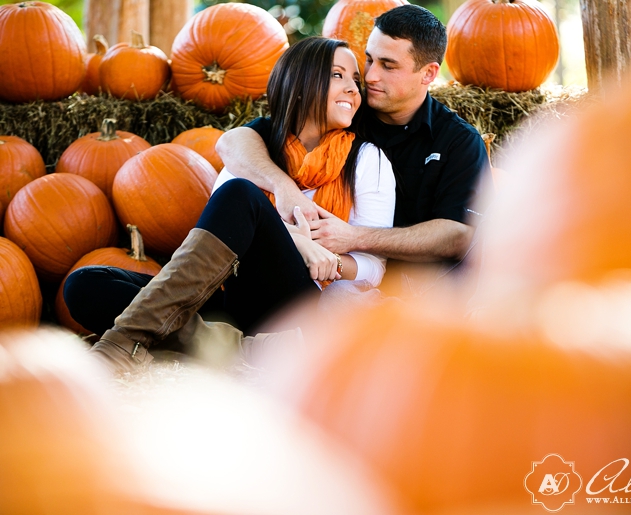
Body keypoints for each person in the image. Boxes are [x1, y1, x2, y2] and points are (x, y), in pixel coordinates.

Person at [64, 37, 396, 374]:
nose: (353, 88)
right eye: (338, 75)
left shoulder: (367, 159)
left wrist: (329, 260)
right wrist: (298, 239)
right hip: (235, 303)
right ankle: (239, 350)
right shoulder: (255, 151)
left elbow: (373, 268)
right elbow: (223, 235)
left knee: (240, 193)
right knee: (84, 285)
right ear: (299, 84)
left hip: (301, 308)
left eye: (355, 79)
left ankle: (122, 344)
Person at [216, 5, 492, 297]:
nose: (370, 76)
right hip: (320, 277)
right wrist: (284, 187)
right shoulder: (344, 110)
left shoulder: (458, 142)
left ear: (428, 73)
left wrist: (354, 237)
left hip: (417, 292)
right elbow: (233, 142)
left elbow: (459, 235)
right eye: (370, 60)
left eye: (388, 65)